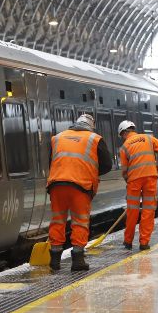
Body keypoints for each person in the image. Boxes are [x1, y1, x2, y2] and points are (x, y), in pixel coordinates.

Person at [46, 113, 112, 271]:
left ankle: (54, 260)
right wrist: (90, 172)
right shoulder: (95, 139)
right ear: (91, 126)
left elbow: (52, 161)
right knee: (80, 221)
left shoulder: (57, 138)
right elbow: (107, 165)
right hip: (80, 186)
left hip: (56, 184)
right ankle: (78, 260)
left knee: (57, 220)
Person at [117, 120, 158, 251]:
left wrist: (128, 181)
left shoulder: (124, 147)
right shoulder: (148, 138)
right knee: (148, 210)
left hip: (134, 180)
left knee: (132, 211)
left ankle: (128, 242)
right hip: (150, 178)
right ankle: (144, 242)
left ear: (124, 133)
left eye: (122, 135)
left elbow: (124, 171)